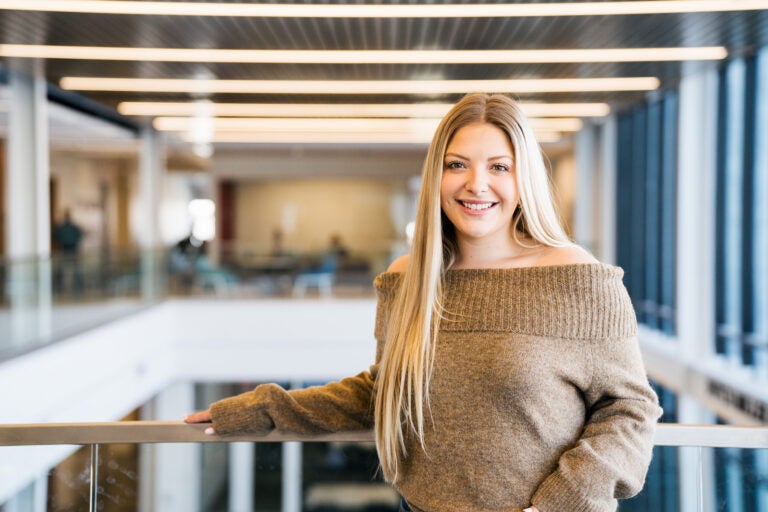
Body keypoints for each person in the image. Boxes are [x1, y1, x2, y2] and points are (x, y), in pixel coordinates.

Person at [185, 93, 662, 512]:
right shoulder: (407, 279)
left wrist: (563, 501)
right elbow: (383, 394)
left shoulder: (577, 277)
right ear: (436, 176)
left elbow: (630, 409)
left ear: (524, 180)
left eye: (499, 166)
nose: (476, 184)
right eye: (457, 165)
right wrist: (263, 408)